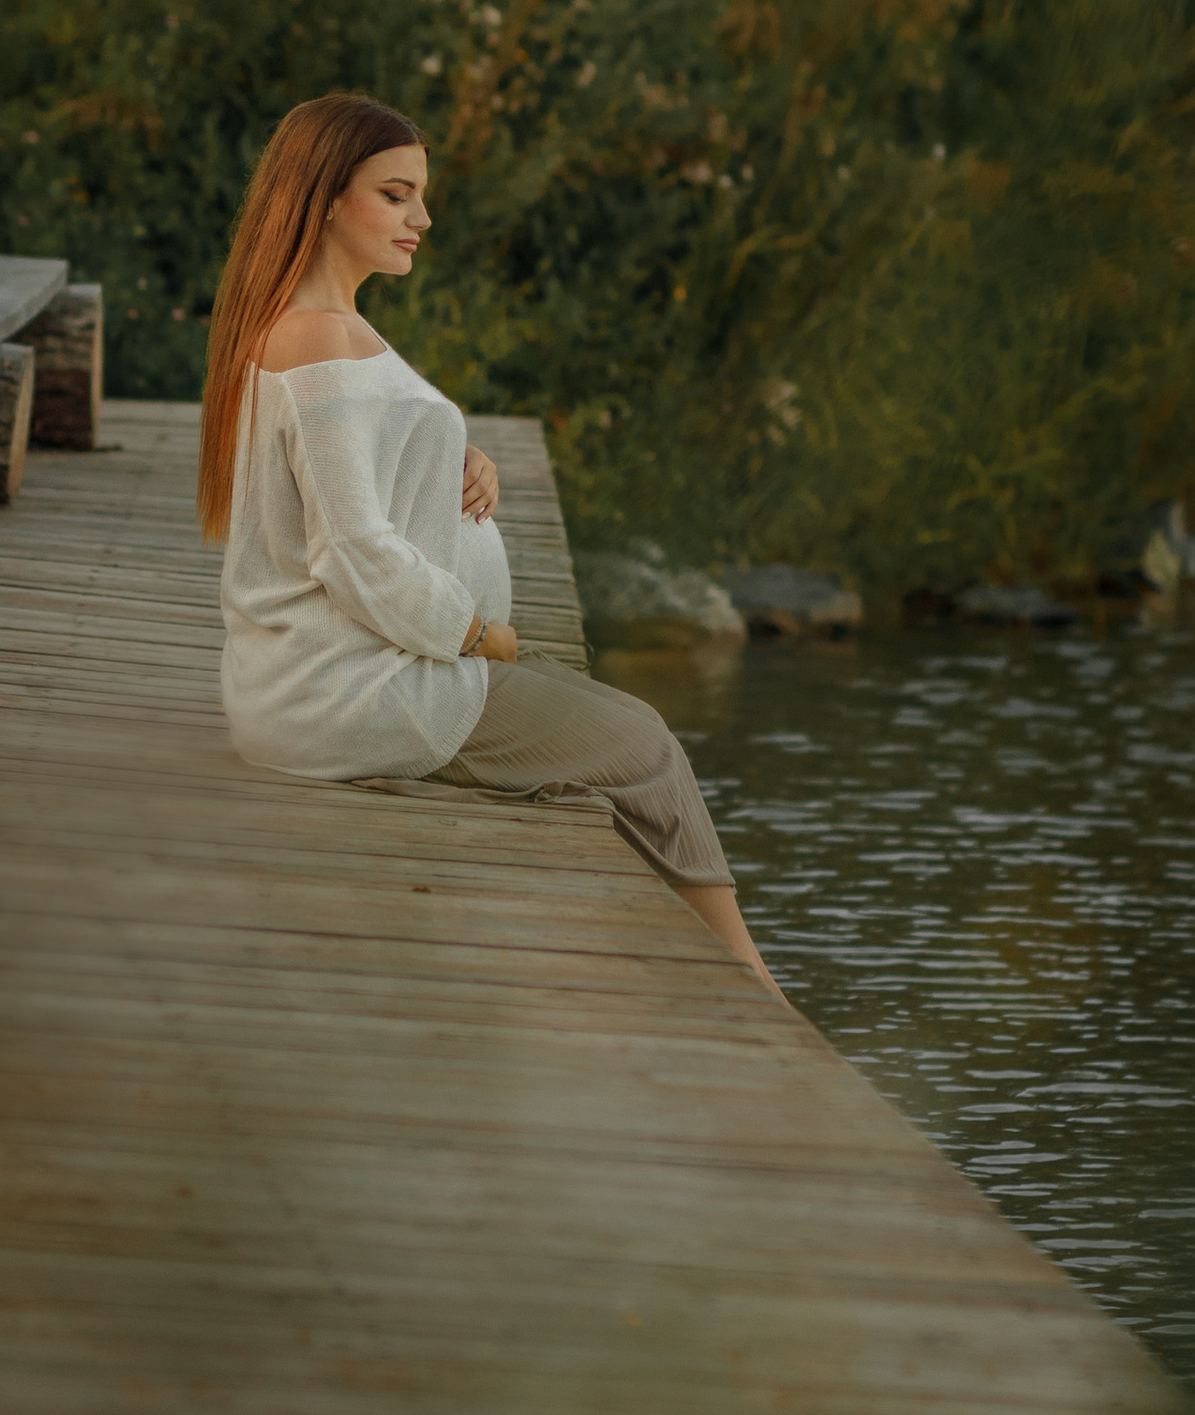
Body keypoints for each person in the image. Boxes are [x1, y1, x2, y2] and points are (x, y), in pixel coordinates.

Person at [202, 89, 780, 993]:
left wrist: (450, 455)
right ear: (323, 199)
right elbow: (352, 552)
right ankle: (753, 990)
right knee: (645, 747)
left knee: (584, 729)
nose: (421, 217)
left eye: (419, 195)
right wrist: (479, 636)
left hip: (349, 676)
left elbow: (347, 465)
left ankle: (688, 976)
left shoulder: (317, 329)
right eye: (395, 194)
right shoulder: (317, 344)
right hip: (356, 692)